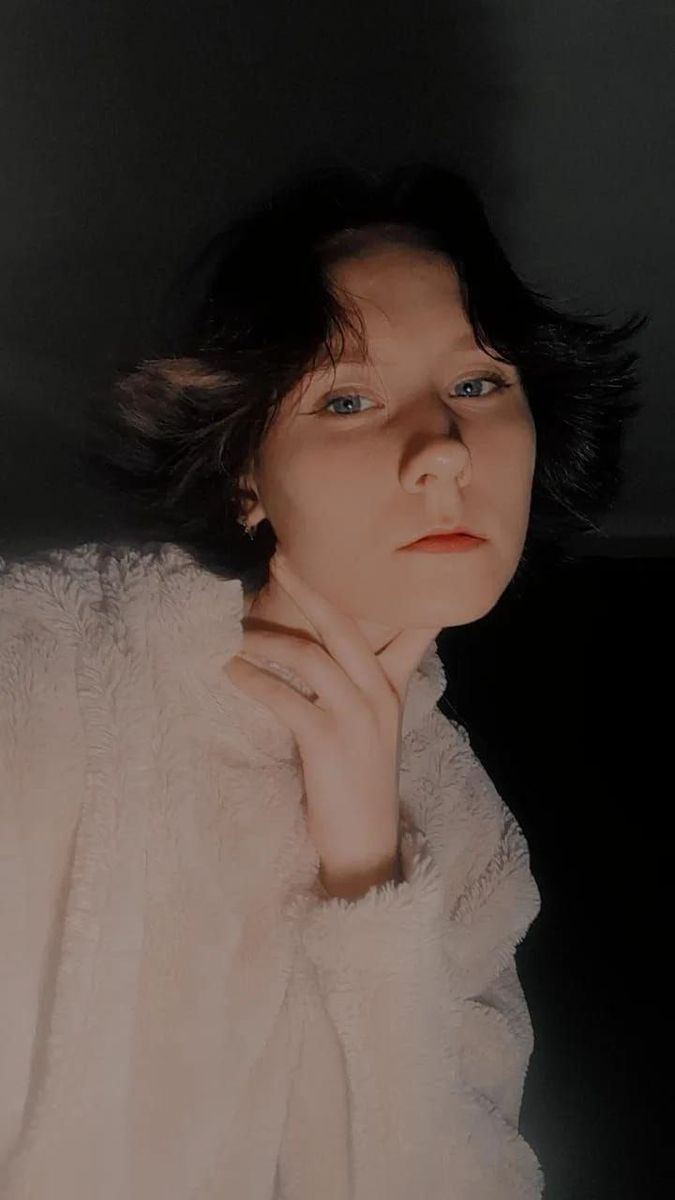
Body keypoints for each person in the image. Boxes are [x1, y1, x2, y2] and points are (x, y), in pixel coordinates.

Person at [0, 159, 646, 1199]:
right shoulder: (37, 659)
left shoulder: (464, 839)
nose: (445, 452)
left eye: (479, 384)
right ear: (244, 473)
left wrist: (365, 874)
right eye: (348, 398)